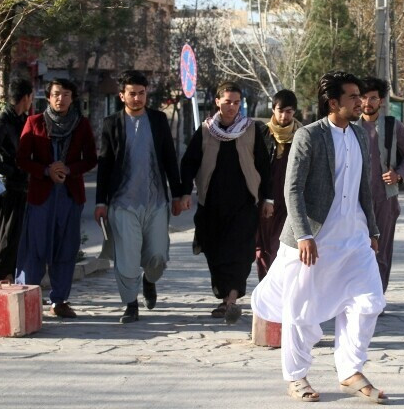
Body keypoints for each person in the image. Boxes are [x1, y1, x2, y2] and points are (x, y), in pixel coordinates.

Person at [251, 71, 387, 403]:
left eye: (361, 96)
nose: (361, 102)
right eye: (353, 96)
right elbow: (292, 189)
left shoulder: (359, 135)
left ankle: (350, 370)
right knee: (299, 309)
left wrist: (371, 229)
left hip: (353, 237)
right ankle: (296, 376)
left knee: (369, 301)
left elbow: (364, 188)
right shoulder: (310, 136)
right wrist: (304, 235)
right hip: (313, 239)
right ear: (333, 102)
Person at [180, 81, 272, 324]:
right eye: (227, 101)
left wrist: (268, 199)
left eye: (236, 102)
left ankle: (231, 300)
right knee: (216, 252)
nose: (232, 106)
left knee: (240, 253)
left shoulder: (251, 129)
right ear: (217, 102)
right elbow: (189, 162)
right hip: (212, 205)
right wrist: (184, 193)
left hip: (244, 204)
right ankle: (223, 296)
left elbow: (264, 166)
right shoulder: (206, 130)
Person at [94, 70, 183, 324]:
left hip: (156, 201)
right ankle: (131, 304)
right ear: (122, 95)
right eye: (132, 93)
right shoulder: (112, 123)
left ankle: (149, 281)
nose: (137, 98)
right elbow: (105, 164)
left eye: (141, 93)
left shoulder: (157, 120)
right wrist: (101, 202)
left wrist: (177, 194)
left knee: (157, 255)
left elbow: (169, 158)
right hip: (123, 203)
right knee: (127, 257)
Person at [15, 78, 97, 318]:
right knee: (35, 247)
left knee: (66, 248)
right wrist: (46, 170)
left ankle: (59, 300)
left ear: (73, 98)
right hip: (41, 194)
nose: (61, 99)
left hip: (70, 195)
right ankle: (28, 298)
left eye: (66, 94)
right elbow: (22, 158)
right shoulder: (34, 122)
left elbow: (91, 158)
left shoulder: (81, 125)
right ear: (48, 97)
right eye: (57, 94)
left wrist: (68, 169)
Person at [359, 77, 404, 294]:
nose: (367, 102)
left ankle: (377, 297)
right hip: (354, 200)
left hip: (385, 199)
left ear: (381, 100)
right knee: (357, 250)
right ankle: (357, 297)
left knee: (381, 251)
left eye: (372, 98)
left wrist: (399, 175)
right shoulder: (350, 127)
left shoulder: (393, 126)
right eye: (363, 97)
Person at [0, 79, 34, 283]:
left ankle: (7, 279)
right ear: (26, 98)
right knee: (2, 239)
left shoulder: (21, 120)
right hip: (4, 189)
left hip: (19, 187)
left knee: (14, 239)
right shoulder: (2, 121)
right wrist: (12, 171)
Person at [254, 90, 301, 280]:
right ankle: (265, 290)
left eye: (289, 111)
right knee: (262, 249)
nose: (284, 116)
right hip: (265, 200)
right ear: (273, 109)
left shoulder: (302, 135)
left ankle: (278, 290)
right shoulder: (261, 134)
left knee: (280, 248)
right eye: (280, 110)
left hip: (290, 203)